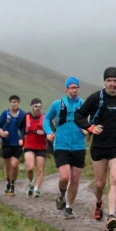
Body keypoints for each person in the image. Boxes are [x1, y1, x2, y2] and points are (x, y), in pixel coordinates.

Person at [76, 67, 116, 231]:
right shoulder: (95, 98)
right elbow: (78, 116)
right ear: (104, 82)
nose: (112, 84)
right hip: (99, 146)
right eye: (109, 81)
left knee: (115, 179)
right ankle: (99, 202)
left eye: (115, 81)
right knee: (100, 184)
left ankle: (111, 215)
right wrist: (90, 128)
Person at [43, 78, 87, 219]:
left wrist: (88, 128)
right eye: (71, 87)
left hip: (79, 146)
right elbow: (46, 118)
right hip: (61, 145)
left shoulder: (83, 105)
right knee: (64, 177)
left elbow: (92, 120)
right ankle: (61, 193)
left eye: (76, 87)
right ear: (66, 89)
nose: (74, 90)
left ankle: (68, 207)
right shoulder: (58, 104)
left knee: (74, 179)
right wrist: (49, 132)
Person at [0, 95, 27, 196]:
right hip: (6, 143)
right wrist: (1, 133)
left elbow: (25, 129)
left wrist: (22, 139)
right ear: (10, 103)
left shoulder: (22, 115)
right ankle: (9, 181)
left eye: (16, 102)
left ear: (19, 103)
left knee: (15, 164)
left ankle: (12, 184)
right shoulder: (5, 114)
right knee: (7, 165)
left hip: (17, 144)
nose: (14, 104)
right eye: (12, 102)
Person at [23, 98, 48, 197]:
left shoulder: (45, 118)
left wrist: (45, 132)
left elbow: (50, 130)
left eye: (39, 106)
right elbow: (20, 128)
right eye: (36, 106)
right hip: (29, 146)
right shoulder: (26, 117)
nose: (38, 108)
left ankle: (36, 189)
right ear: (32, 106)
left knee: (40, 170)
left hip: (41, 147)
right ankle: (31, 181)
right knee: (30, 167)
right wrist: (21, 138)